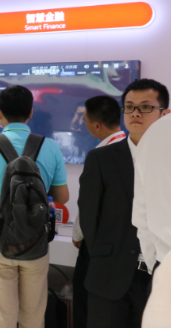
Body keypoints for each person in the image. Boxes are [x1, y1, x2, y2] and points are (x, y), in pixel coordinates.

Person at [0, 85, 69, 328]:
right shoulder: (50, 146)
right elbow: (63, 196)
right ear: (30, 112)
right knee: (33, 315)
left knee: (3, 317)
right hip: (36, 236)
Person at [79, 79, 169, 328]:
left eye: (146, 107)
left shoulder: (167, 160)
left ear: (165, 114)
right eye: (129, 107)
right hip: (110, 274)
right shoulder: (101, 158)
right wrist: (106, 257)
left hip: (159, 275)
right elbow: (89, 217)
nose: (135, 113)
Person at [72, 95, 126, 328]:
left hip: (96, 248)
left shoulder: (99, 155)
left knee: (87, 308)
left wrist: (77, 234)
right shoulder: (132, 149)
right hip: (124, 248)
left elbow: (88, 205)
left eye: (84, 120)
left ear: (96, 125)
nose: (81, 124)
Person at [134, 83, 171, 282]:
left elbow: (141, 214)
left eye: (145, 107)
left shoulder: (156, 132)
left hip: (165, 264)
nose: (135, 114)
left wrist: (153, 264)